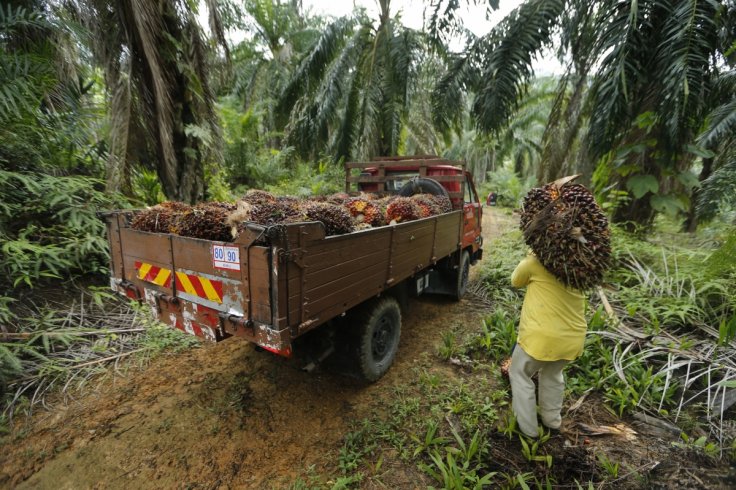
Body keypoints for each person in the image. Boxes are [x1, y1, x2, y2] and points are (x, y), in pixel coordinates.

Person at [508, 251, 587, 438]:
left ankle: (529, 431)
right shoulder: (582, 265)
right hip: (572, 337)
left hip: (541, 337)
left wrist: (530, 255)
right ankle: (552, 422)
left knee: (519, 374)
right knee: (553, 374)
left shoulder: (536, 261)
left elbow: (516, 280)